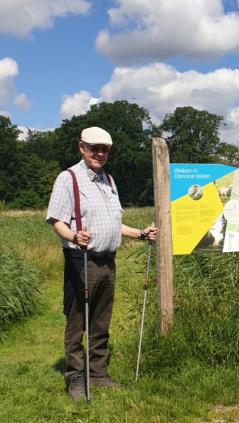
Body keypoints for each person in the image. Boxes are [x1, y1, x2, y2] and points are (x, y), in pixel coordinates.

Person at [46, 126, 158, 400]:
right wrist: (74, 235)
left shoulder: (109, 180)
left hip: (108, 261)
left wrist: (141, 234)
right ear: (81, 147)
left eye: (104, 149)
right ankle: (75, 377)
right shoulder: (68, 178)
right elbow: (56, 220)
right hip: (81, 259)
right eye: (94, 147)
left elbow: (114, 224)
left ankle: (98, 374)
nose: (99, 153)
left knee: (101, 321)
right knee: (77, 322)